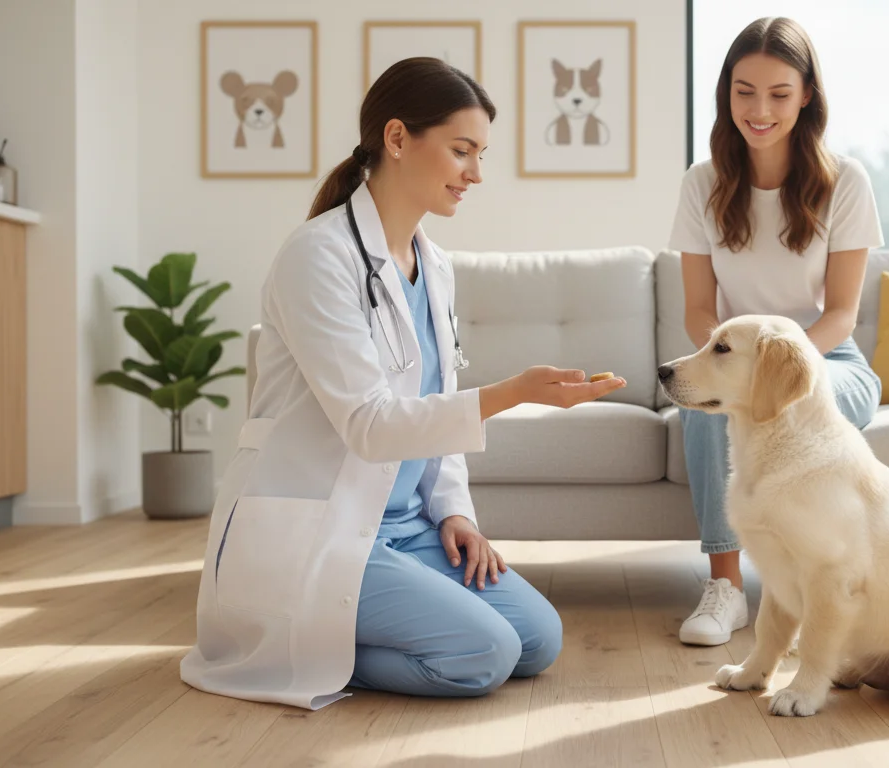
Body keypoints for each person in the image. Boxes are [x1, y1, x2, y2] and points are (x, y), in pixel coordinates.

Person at [179, 57, 626, 709]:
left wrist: (455, 514)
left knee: (537, 640)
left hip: (408, 526)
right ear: (396, 139)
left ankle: (341, 627)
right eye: (462, 151)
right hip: (322, 525)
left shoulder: (434, 265)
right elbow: (371, 423)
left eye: (481, 154)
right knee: (485, 655)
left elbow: (432, 400)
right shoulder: (317, 257)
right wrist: (514, 393)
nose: (475, 173)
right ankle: (300, 640)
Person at [667, 17, 885, 646]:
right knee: (715, 403)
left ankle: (833, 584)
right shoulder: (702, 183)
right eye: (744, 91)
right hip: (731, 355)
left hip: (829, 359)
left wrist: (779, 369)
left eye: (779, 94)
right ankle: (726, 587)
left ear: (808, 95)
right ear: (725, 93)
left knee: (767, 403)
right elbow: (697, 310)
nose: (759, 110)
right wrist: (730, 367)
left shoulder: (845, 182)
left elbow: (841, 313)